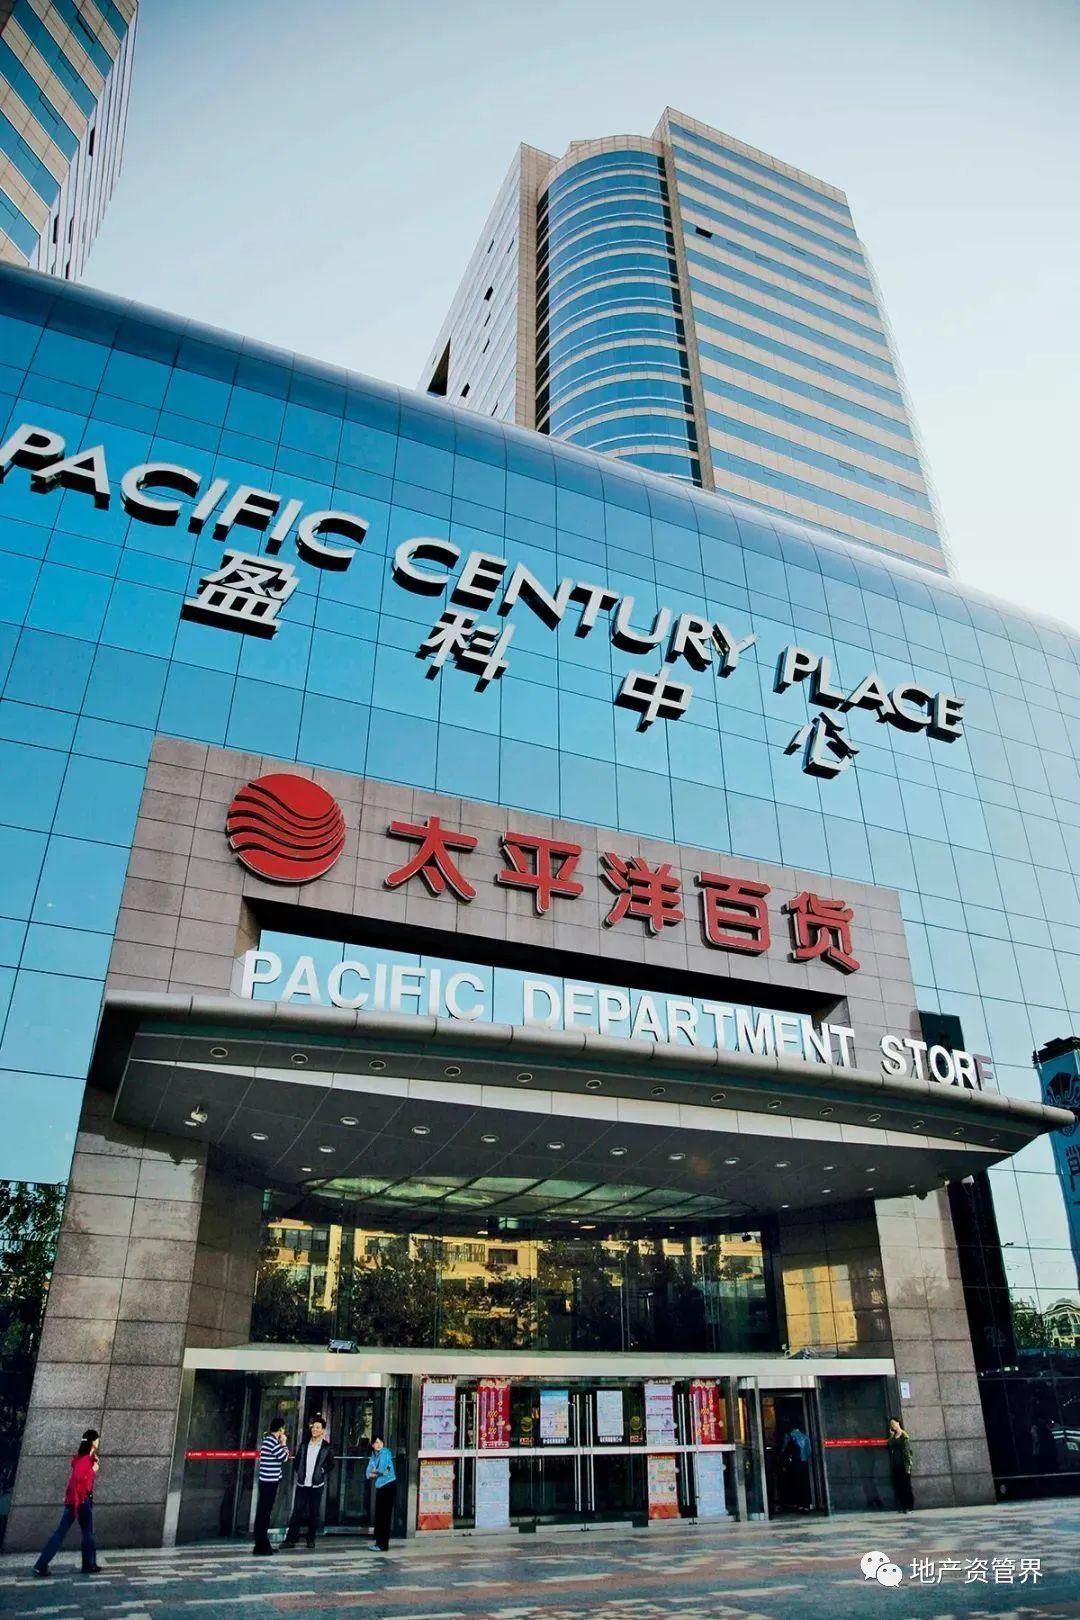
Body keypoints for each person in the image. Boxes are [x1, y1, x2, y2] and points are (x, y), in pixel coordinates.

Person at [33, 1432, 101, 1577]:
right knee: (87, 1533)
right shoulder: (84, 1460)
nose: (98, 1442)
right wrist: (93, 1471)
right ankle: (89, 1565)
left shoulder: (85, 1458)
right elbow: (78, 1480)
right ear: (93, 1442)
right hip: (81, 1500)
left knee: (62, 1532)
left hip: (76, 1500)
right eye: (97, 1439)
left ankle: (41, 1565)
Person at [283, 1415, 333, 1549]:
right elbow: (297, 1460)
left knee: (314, 1512)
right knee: (297, 1511)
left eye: (318, 1427)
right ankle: (290, 1540)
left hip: (317, 1485)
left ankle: (311, 1539)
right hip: (302, 1484)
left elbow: (331, 1464)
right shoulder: (304, 1444)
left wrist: (322, 1471)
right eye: (313, 1427)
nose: (315, 1429)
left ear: (323, 1430)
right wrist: (299, 1472)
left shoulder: (326, 1447)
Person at [253, 1417, 290, 1556]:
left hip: (268, 1481)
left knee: (264, 1513)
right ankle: (261, 1545)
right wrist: (284, 1443)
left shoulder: (269, 1441)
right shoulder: (272, 1441)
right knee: (264, 1513)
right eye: (283, 1428)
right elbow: (284, 1457)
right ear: (280, 1429)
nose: (284, 1431)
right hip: (269, 1482)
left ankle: (262, 1543)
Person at [366, 1436, 396, 1552]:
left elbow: (382, 1469)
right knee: (379, 1516)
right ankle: (379, 1543)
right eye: (376, 1443)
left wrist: (375, 1472)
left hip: (389, 1486)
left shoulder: (385, 1453)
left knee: (385, 1516)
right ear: (372, 1445)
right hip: (380, 1486)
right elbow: (368, 1473)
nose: (378, 1445)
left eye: (380, 1442)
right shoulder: (374, 1455)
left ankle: (383, 1545)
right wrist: (375, 1472)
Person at [888, 1418, 915, 1512]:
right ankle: (903, 1506)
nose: (892, 1426)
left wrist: (908, 1466)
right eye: (891, 1424)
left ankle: (910, 1506)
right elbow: (890, 1446)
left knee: (906, 1486)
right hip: (896, 1463)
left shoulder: (904, 1435)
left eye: (893, 1423)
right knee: (899, 1486)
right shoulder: (893, 1436)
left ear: (898, 1422)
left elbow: (908, 1452)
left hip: (904, 1463)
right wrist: (891, 1436)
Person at [784, 1424, 813, 1512]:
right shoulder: (805, 1436)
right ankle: (806, 1505)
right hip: (803, 1462)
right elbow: (809, 1451)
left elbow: (784, 1449)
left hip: (794, 1462)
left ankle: (799, 1504)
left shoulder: (789, 1435)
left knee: (796, 1483)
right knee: (804, 1483)